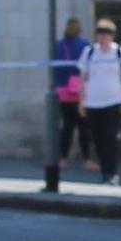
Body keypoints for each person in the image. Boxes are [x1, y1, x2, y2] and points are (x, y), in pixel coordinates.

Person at [72, 18, 121, 185]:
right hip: (93, 103)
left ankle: (112, 172)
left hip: (114, 101)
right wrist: (81, 101)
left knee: (112, 137)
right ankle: (104, 171)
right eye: (99, 34)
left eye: (106, 34)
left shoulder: (120, 53)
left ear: (112, 36)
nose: (102, 38)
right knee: (98, 138)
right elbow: (82, 77)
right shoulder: (90, 52)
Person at [43, 19, 88, 192]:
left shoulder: (58, 45)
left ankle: (63, 158)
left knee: (67, 126)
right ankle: (87, 160)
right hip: (79, 90)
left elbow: (54, 68)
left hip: (62, 90)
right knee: (83, 126)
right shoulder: (84, 45)